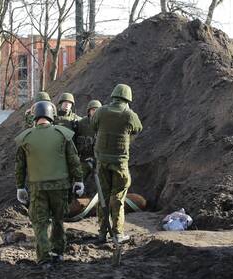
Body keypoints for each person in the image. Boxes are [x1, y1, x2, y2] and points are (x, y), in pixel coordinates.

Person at [15, 100, 84, 265]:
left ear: (36, 116)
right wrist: (79, 180)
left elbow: (20, 166)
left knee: (40, 223)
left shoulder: (26, 137)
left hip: (37, 187)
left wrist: (20, 187)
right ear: (51, 115)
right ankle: (58, 252)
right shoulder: (63, 134)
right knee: (58, 221)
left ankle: (44, 258)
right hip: (60, 187)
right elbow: (73, 160)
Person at [91, 84, 143, 245]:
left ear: (113, 96)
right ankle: (118, 233)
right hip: (120, 163)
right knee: (118, 198)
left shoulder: (101, 111)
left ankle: (102, 233)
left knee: (103, 197)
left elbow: (94, 126)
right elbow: (138, 129)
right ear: (128, 99)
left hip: (102, 162)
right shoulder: (129, 115)